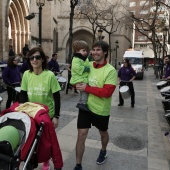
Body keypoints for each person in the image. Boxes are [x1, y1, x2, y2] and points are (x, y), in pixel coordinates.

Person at [73, 41, 117, 170]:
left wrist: (87, 88)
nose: (94, 52)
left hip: (101, 110)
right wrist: (75, 85)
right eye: (93, 50)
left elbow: (107, 92)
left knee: (103, 133)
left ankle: (103, 150)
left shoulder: (111, 71)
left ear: (105, 52)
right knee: (81, 135)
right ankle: (78, 165)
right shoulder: (88, 65)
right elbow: (78, 77)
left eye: (98, 50)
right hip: (85, 107)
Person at [19, 47, 63, 170]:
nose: (34, 60)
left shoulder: (50, 76)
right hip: (31, 114)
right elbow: (23, 93)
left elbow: (57, 97)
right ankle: (31, 161)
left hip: (46, 114)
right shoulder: (27, 74)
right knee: (31, 140)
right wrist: (22, 110)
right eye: (32, 57)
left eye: (37, 57)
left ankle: (46, 160)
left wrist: (56, 116)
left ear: (43, 59)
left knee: (46, 141)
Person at [70, 40, 90, 111]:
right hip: (79, 78)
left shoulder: (83, 58)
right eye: (83, 50)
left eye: (86, 51)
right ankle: (83, 103)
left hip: (82, 78)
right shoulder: (76, 59)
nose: (85, 52)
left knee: (82, 92)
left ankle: (81, 102)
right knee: (84, 91)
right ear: (77, 51)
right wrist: (86, 68)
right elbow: (77, 68)